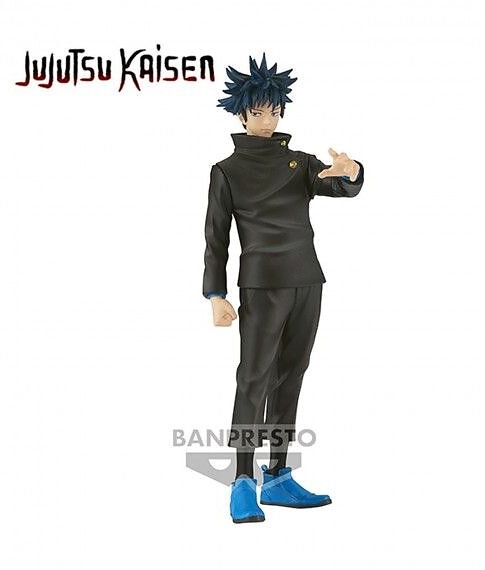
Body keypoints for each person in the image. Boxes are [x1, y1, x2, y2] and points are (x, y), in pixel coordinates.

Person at [202, 53, 365, 523]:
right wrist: (216, 295)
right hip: (261, 286)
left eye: (275, 111)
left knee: (291, 376)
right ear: (241, 114)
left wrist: (351, 171)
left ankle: (277, 476)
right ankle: (242, 481)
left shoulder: (299, 162)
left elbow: (338, 186)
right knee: (253, 379)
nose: (268, 120)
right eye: (258, 112)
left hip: (307, 281)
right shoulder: (226, 170)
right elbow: (215, 238)